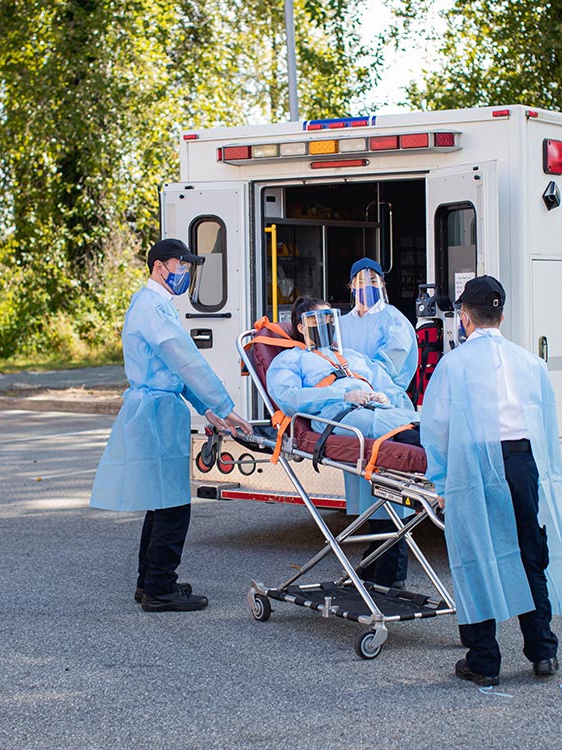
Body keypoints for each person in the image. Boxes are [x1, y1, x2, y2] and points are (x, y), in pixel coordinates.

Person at [420, 275, 562, 686]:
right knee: (530, 552)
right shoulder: (530, 362)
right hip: (523, 462)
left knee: (476, 554)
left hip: (475, 464)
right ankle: (543, 652)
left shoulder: (453, 364)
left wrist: (440, 483)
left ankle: (484, 660)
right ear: (502, 315)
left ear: (465, 317)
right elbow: (545, 423)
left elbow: (436, 427)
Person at [92, 238, 252, 613]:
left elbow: (174, 372)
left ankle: (149, 581)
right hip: (157, 412)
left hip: (158, 407)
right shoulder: (153, 307)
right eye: (181, 266)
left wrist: (206, 409)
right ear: (160, 266)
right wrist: (222, 405)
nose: (185, 274)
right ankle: (160, 588)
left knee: (159, 500)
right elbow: (186, 362)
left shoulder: (152, 304)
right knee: (173, 504)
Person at [266, 297, 419, 588]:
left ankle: (383, 570)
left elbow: (387, 383)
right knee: (403, 434)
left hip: (377, 411)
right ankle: (387, 571)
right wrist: (339, 396)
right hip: (338, 416)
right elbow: (289, 399)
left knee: (411, 426)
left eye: (329, 318)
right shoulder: (290, 359)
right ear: (301, 326)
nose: (327, 326)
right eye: (318, 320)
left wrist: (385, 396)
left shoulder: (352, 357)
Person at [339, 258, 418, 411]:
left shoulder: (394, 320)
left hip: (386, 401)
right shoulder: (341, 324)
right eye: (361, 281)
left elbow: (391, 363)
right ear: (351, 286)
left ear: (383, 284)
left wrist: (367, 388)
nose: (368, 286)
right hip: (347, 400)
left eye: (374, 281)